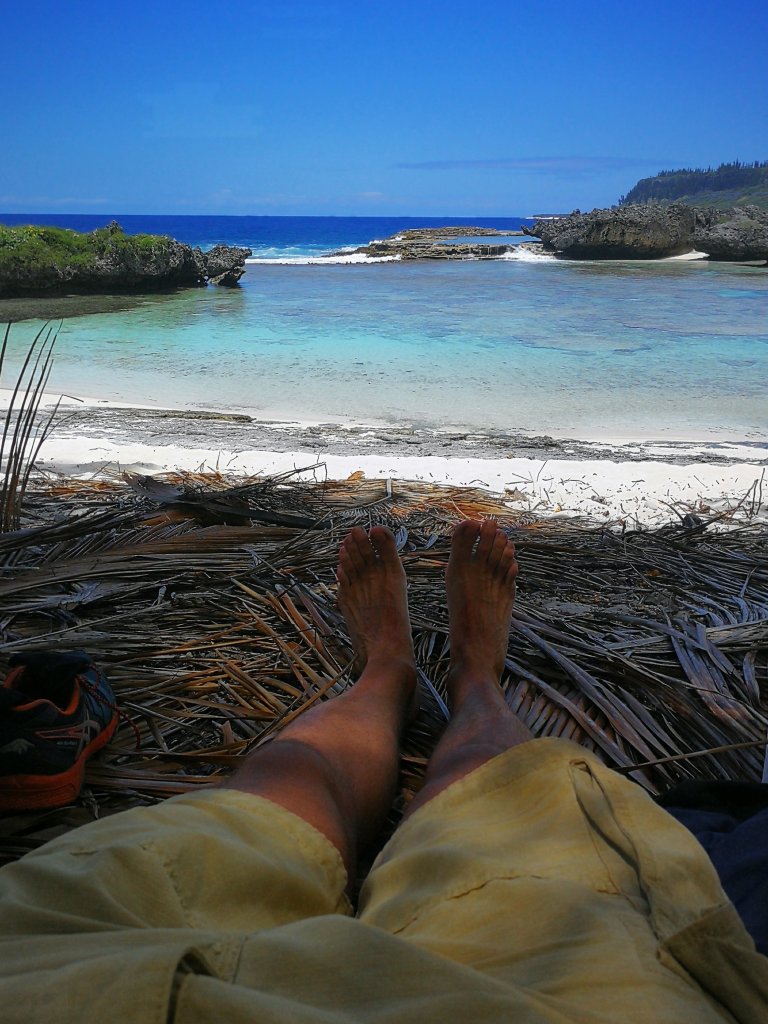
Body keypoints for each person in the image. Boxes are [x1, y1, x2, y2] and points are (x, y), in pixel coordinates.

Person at [0, 520, 766, 1022]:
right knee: (512, 815)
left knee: (244, 819)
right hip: (564, 999)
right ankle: (467, 679)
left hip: (55, 970)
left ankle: (389, 674)